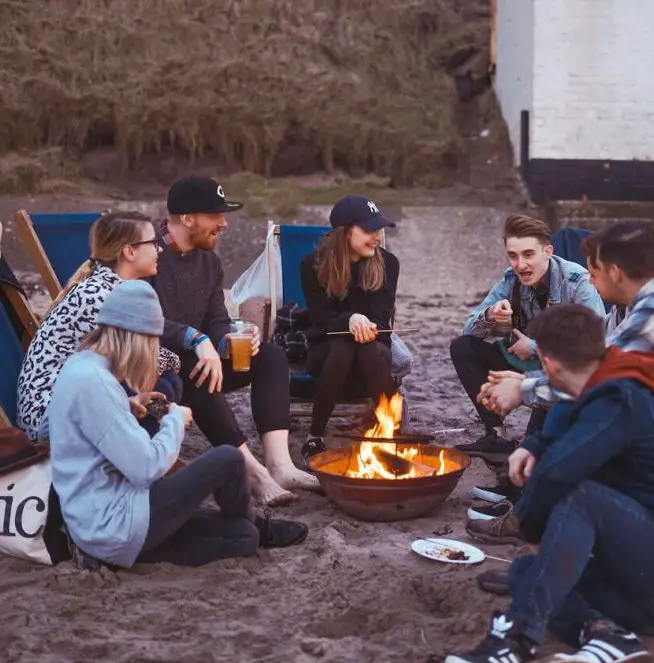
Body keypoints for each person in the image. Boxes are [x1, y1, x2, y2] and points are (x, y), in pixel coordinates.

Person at [445, 304, 654, 663]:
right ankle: (605, 634)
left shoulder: (622, 397)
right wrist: (532, 446)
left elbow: (557, 475)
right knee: (526, 572)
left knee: (580, 497)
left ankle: (518, 637)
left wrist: (531, 526)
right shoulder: (594, 384)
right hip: (650, 590)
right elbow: (559, 424)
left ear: (547, 364)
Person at [47, 281, 308, 570]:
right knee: (228, 459)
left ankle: (251, 527)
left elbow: (94, 430)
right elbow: (145, 468)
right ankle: (259, 523)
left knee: (243, 538)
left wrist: (128, 405)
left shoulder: (83, 366)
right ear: (135, 336)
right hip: (114, 521)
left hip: (107, 522)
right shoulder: (94, 383)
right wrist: (174, 420)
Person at [480, 220, 654, 462]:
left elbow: (595, 379)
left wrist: (522, 391)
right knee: (570, 413)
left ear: (616, 273)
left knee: (581, 428)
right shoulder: (648, 290)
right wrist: (526, 380)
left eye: (594, 272)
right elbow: (595, 354)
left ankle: (527, 503)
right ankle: (522, 496)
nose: (589, 279)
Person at [148, 175, 320, 506]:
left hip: (203, 356)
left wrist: (230, 337)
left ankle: (280, 465)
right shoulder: (148, 253)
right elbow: (142, 319)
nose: (224, 224)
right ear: (187, 218)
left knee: (270, 357)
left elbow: (216, 319)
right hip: (159, 367)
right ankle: (253, 474)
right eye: (215, 216)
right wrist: (198, 341)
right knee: (198, 372)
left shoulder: (209, 262)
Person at [450, 214, 605, 462]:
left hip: (561, 371)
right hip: (523, 363)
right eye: (513, 256)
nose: (520, 264)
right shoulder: (511, 280)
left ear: (548, 251)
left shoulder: (577, 281)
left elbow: (595, 343)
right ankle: (496, 435)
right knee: (463, 347)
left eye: (528, 254)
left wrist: (533, 346)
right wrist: (490, 315)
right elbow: (467, 330)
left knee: (533, 452)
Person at [17, 211, 183, 442]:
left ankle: (143, 447)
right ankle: (139, 454)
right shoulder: (102, 296)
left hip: (72, 399)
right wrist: (180, 355)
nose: (160, 249)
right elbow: (140, 362)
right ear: (129, 251)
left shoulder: (104, 286)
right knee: (162, 383)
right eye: (153, 243)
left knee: (165, 385)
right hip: (51, 418)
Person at [299, 196, 400, 458]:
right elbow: (321, 320)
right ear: (345, 232)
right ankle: (317, 435)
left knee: (365, 347)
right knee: (344, 346)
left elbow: (381, 319)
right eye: (368, 230)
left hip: (373, 356)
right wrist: (350, 320)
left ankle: (385, 433)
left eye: (378, 229)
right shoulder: (313, 266)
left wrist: (363, 324)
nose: (376, 236)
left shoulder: (388, 264)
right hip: (327, 356)